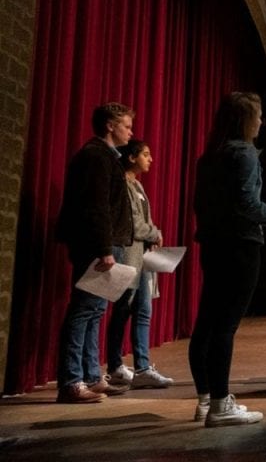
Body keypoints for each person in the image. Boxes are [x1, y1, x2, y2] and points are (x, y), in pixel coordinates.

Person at [190, 92, 266, 427]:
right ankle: (221, 405)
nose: (262, 122)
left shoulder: (210, 157)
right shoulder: (245, 154)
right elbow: (247, 205)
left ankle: (206, 400)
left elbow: (203, 206)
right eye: (259, 116)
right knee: (226, 326)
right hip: (240, 246)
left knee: (207, 323)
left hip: (214, 244)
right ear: (245, 119)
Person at [54, 102, 136, 403]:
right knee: (84, 309)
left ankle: (90, 375)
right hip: (96, 244)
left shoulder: (105, 157)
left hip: (105, 243)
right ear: (110, 126)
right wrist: (104, 248)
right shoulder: (95, 156)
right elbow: (96, 206)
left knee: (96, 310)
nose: (131, 131)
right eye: (126, 125)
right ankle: (71, 381)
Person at [106, 140, 173, 389]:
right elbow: (133, 223)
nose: (151, 159)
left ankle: (143, 367)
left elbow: (146, 220)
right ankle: (114, 365)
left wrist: (153, 232)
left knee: (144, 310)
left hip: (142, 257)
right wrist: (153, 233)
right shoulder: (122, 184)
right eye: (146, 154)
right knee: (123, 309)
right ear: (132, 157)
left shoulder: (139, 185)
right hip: (128, 255)